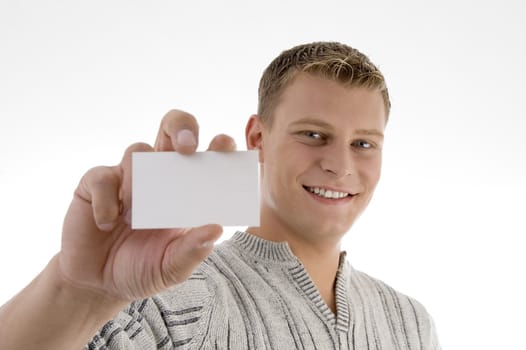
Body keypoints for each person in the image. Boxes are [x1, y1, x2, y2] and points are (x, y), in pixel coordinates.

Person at [0, 42, 441, 349]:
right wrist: (78, 291)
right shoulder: (183, 298)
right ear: (258, 137)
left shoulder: (410, 322)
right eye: (313, 134)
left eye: (364, 143)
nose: (341, 165)